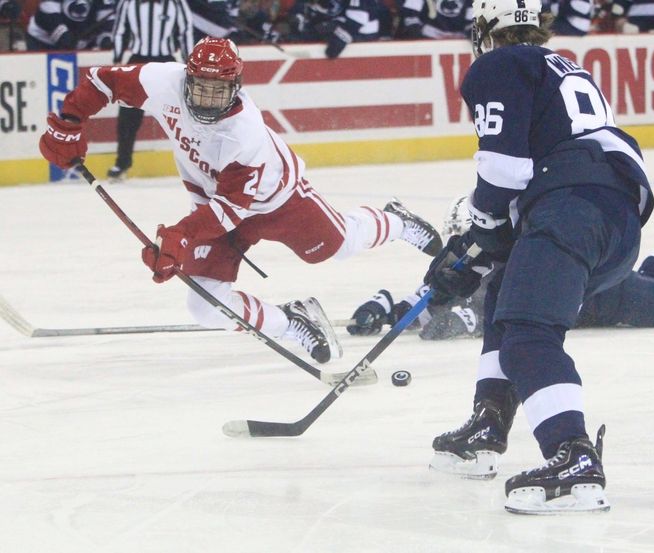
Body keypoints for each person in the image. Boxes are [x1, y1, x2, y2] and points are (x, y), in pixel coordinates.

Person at [37, 37, 443, 365]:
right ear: (187, 79)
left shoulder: (243, 133)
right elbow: (101, 81)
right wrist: (69, 122)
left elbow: (231, 209)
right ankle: (291, 322)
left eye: (220, 91)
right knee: (205, 306)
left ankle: (396, 220)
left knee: (338, 246)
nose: (209, 99)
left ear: (236, 88)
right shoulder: (163, 80)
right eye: (201, 88)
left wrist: (179, 237)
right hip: (211, 204)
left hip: (276, 200)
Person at [419, 0, 654, 515]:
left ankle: (573, 456)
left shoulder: (498, 63)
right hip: (613, 219)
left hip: (571, 206)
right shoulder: (562, 65)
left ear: (482, 30)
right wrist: (476, 258)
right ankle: (488, 424)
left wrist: (471, 240)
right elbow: (521, 191)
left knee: (528, 335)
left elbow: (503, 173)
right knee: (506, 295)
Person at [348, 204, 654, 340]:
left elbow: (507, 304)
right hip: (603, 291)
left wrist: (467, 320)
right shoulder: (477, 253)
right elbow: (429, 300)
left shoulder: (523, 252)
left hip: (608, 295)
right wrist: (383, 308)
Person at [106, 0, 194, 182]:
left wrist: (189, 62)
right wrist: (117, 58)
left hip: (166, 61)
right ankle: (122, 163)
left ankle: (194, 165)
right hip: (137, 60)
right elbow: (120, 30)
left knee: (181, 115)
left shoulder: (177, 3)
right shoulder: (128, 2)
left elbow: (186, 31)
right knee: (128, 116)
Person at [284, 0, 382, 59]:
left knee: (321, 30)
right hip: (344, 24)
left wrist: (342, 34)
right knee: (315, 29)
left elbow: (357, 21)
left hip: (362, 35)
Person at [25, 0, 115, 51]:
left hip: (83, 42)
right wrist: (65, 37)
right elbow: (50, 19)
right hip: (42, 41)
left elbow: (107, 24)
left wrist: (105, 40)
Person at [396, 0, 472, 40]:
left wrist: (464, 35)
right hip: (428, 44)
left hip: (461, 43)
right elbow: (410, 17)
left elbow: (473, 22)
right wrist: (430, 33)